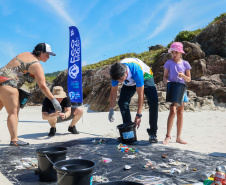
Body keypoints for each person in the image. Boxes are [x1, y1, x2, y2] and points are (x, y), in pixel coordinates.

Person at [0, 43, 62, 146]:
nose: (48, 57)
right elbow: (43, 86)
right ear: (41, 52)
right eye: (47, 54)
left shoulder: (24, 54)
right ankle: (14, 140)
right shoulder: (36, 64)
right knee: (13, 112)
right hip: (9, 85)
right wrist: (53, 100)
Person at [109, 58, 159, 143]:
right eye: (117, 80)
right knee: (122, 102)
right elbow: (113, 91)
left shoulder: (136, 71)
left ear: (126, 73)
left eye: (120, 79)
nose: (119, 82)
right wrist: (111, 109)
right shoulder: (116, 74)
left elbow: (140, 95)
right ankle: (129, 132)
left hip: (145, 76)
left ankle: (153, 133)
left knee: (154, 102)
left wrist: (138, 115)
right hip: (130, 81)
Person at [162, 42, 191, 145]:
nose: (174, 54)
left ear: (180, 53)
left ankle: (178, 137)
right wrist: (167, 81)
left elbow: (189, 79)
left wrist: (183, 76)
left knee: (180, 112)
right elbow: (165, 76)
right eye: (172, 52)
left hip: (182, 89)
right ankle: (168, 136)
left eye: (176, 52)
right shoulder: (169, 63)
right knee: (172, 111)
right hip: (173, 88)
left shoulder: (185, 64)